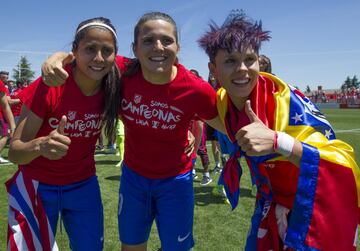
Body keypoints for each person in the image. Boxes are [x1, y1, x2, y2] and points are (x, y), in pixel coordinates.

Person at [41, 12, 221, 251]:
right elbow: (83, 54)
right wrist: (56, 58)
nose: (158, 47)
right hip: (134, 180)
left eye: (167, 40)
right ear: (134, 48)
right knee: (132, 247)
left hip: (175, 181)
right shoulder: (121, 71)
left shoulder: (197, 90)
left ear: (178, 47)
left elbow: (228, 126)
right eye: (148, 40)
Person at [198, 9, 360, 251]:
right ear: (213, 69)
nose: (242, 69)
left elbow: (342, 163)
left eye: (249, 59)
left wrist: (278, 141)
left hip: (310, 206)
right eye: (231, 60)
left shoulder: (283, 103)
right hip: (269, 201)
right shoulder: (222, 101)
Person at [6, 17, 121, 251]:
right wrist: (40, 145)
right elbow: (15, 152)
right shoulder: (50, 84)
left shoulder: (117, 80)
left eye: (106, 51)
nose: (98, 57)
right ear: (74, 52)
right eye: (89, 49)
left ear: (115, 56)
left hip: (83, 186)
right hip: (37, 185)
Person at [0, 71, 16, 164]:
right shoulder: (3, 87)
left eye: (7, 77)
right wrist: (20, 99)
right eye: (4, 77)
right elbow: (8, 103)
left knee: (6, 134)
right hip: (1, 116)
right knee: (6, 134)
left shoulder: (3, 87)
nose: (6, 79)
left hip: (3, 115)